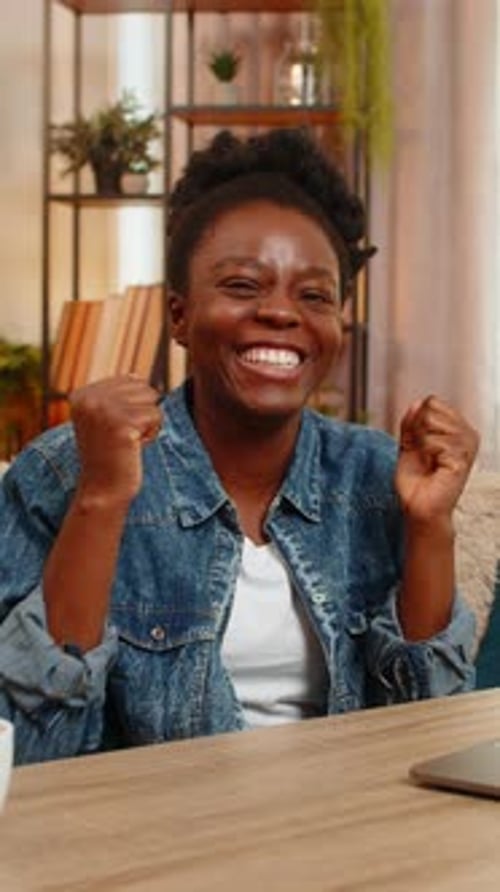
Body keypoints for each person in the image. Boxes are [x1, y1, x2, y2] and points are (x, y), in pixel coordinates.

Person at [0, 128, 479, 765]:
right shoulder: (62, 471)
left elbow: (430, 728)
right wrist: (101, 497)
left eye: (314, 295)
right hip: (151, 841)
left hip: (345, 829)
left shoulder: (374, 473)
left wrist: (430, 526)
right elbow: (34, 750)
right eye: (243, 286)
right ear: (178, 316)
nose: (282, 313)